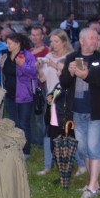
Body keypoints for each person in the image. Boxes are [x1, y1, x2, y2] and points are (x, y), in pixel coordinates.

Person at [59, 28, 100, 198]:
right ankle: (94, 183)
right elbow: (64, 84)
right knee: (83, 149)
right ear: (82, 41)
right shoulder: (72, 58)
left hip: (96, 112)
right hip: (77, 111)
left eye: (96, 38)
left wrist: (87, 76)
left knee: (94, 148)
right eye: (91, 38)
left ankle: (91, 187)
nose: (95, 40)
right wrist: (69, 72)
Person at [37, 29, 72, 176]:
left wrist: (54, 65)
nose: (52, 44)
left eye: (56, 41)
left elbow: (75, 76)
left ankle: (78, 164)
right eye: (51, 41)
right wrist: (39, 68)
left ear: (64, 42)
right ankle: (47, 165)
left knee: (68, 132)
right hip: (51, 98)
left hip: (66, 99)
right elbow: (43, 79)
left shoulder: (71, 56)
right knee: (49, 131)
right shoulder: (48, 56)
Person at [0, 32, 38, 158]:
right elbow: (0, 71)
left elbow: (33, 73)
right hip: (9, 95)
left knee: (24, 123)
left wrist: (22, 65)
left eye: (9, 43)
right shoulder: (5, 55)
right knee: (13, 123)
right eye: (7, 43)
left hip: (24, 95)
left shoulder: (27, 55)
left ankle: (25, 151)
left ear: (17, 44)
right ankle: (15, 147)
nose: (7, 45)